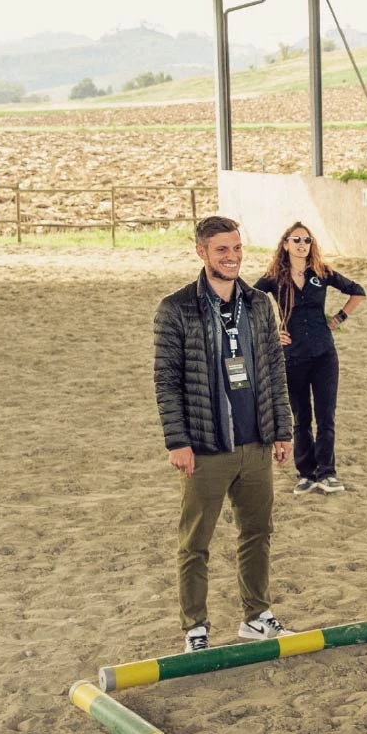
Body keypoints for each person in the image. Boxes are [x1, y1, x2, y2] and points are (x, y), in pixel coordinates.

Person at [154, 216, 294, 653]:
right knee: (195, 542)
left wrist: (282, 429)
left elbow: (274, 369)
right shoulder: (176, 308)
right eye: (221, 250)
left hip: (256, 441)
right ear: (201, 252)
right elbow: (166, 380)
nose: (232, 257)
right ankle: (195, 628)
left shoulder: (258, 304)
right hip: (205, 447)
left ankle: (256, 616)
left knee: (257, 533)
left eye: (236, 248)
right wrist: (177, 441)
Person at [254, 221, 365, 495]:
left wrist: (339, 317)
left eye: (307, 240)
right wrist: (271, 332)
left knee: (326, 417)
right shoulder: (274, 277)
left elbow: (358, 291)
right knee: (300, 417)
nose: (302, 244)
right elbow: (248, 302)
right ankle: (306, 473)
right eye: (296, 240)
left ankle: (327, 473)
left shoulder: (322, 272)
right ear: (285, 244)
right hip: (292, 357)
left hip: (324, 354)